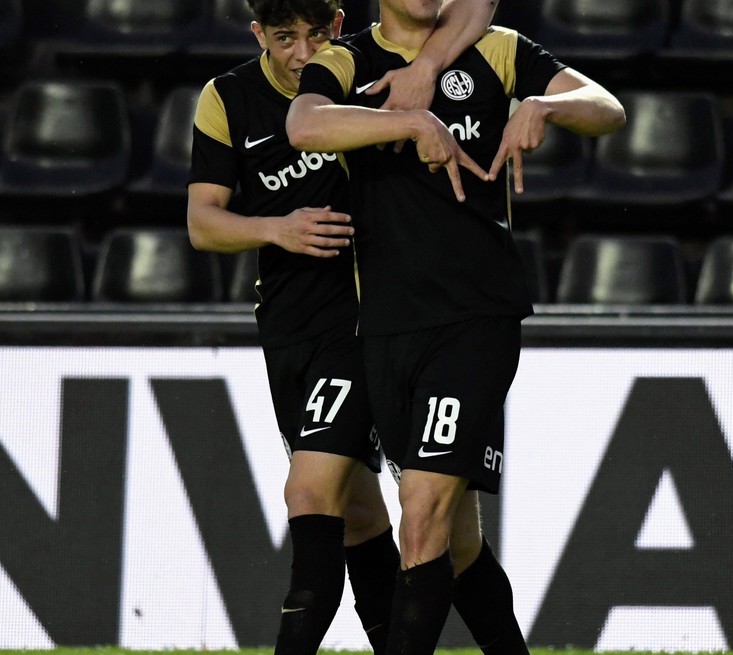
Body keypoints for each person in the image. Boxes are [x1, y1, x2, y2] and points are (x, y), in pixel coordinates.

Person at [284, 1, 626, 652]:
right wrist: (411, 121)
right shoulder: (349, 60)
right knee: (456, 542)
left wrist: (545, 106)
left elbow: (607, 108)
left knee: (421, 516)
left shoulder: (496, 48)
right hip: (386, 326)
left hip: (475, 315)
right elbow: (303, 126)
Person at [186, 1, 495, 653]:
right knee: (366, 515)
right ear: (258, 35)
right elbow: (203, 223)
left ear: (337, 22)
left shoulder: (360, 73)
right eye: (284, 39)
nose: (303, 53)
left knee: (310, 493)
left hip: (364, 323)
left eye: (316, 34)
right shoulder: (228, 98)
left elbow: (472, 9)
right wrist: (276, 229)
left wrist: (429, 74)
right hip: (286, 326)